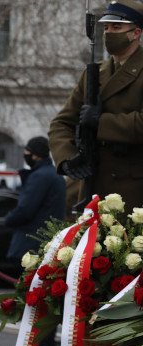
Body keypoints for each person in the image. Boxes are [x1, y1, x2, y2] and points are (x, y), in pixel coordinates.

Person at [49, 0, 143, 209]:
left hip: (133, 193)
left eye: (116, 27)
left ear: (136, 33)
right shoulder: (94, 72)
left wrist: (101, 122)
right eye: (106, 27)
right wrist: (67, 158)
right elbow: (61, 123)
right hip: (92, 187)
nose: (108, 33)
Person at [5, 136, 66, 264]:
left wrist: (9, 219)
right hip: (47, 240)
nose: (24, 154)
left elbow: (25, 210)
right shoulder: (55, 174)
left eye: (27, 151)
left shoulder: (38, 176)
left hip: (31, 243)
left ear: (35, 155)